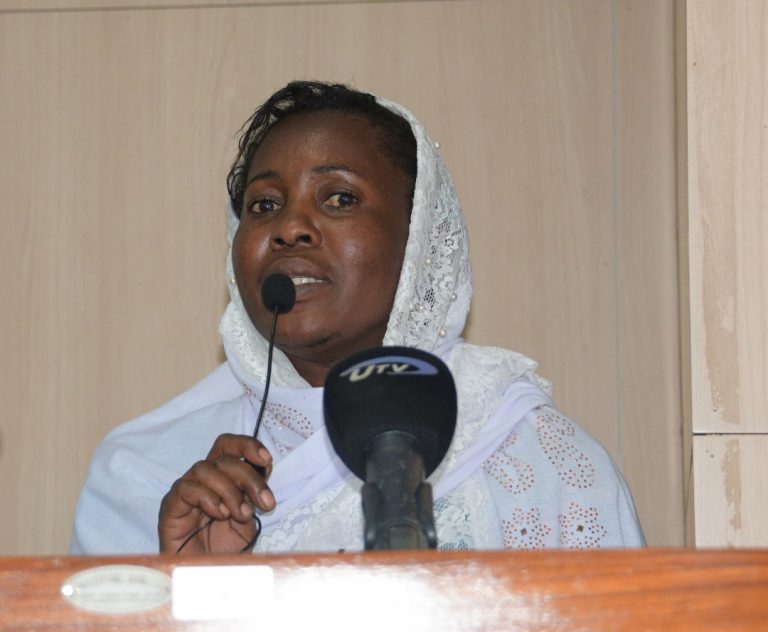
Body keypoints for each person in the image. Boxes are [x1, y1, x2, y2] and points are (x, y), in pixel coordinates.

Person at [70, 81, 644, 555]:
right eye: (264, 205)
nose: (290, 228)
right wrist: (192, 591)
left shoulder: (534, 456)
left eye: (339, 198)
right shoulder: (144, 473)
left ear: (417, 238)